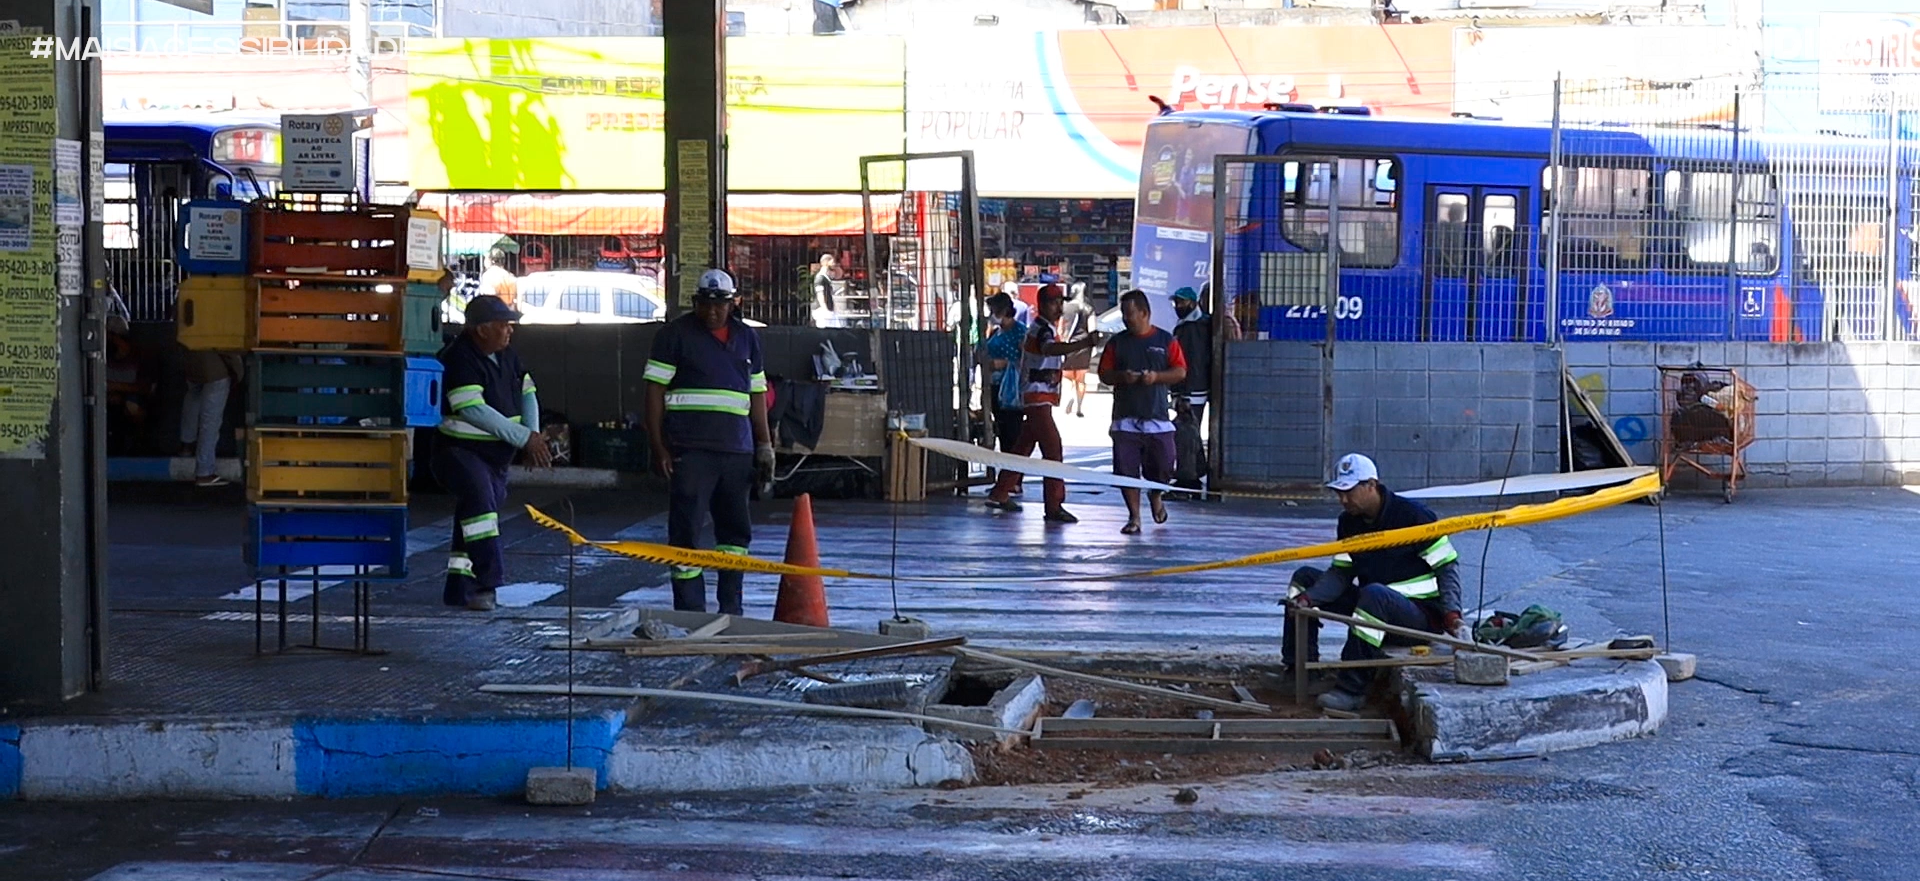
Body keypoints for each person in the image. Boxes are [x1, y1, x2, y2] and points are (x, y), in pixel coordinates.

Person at [1282, 453, 1467, 713]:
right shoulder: (1348, 522)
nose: (1343, 500)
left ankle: (1352, 689)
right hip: (1373, 607)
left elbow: (1446, 568)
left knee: (1374, 594)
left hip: (1418, 617)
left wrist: (1452, 615)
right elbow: (1341, 573)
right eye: (1339, 492)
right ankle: (1298, 669)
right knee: (1304, 578)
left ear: (1371, 485)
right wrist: (1307, 599)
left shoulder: (1414, 516)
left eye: (1349, 491)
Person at [644, 268, 774, 615]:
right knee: (686, 531)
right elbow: (654, 393)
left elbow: (757, 393)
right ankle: (690, 611)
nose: (713, 311)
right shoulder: (673, 336)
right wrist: (659, 447)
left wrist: (764, 444)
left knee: (734, 536)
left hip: (737, 452)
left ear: (734, 303)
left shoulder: (747, 339)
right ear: (695, 303)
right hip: (691, 451)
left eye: (721, 304)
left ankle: (731, 608)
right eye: (705, 303)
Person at [432, 295, 554, 612]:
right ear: (482, 329)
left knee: (473, 518)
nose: (509, 331)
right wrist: (525, 438)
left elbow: (528, 393)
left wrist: (533, 436)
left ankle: (461, 588)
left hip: (497, 456)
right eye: (503, 326)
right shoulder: (459, 358)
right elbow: (472, 410)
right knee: (482, 513)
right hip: (460, 453)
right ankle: (489, 582)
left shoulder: (508, 356)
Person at [983, 284, 1104, 523]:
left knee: (1022, 449)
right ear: (1043, 305)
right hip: (1037, 399)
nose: (1059, 307)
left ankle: (1000, 491)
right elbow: (1049, 349)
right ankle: (1054, 506)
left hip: (1039, 397)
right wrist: (1083, 343)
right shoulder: (1042, 330)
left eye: (1061, 302)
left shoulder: (1042, 327)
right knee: (1053, 451)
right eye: (1054, 303)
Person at [1097, 289, 1186, 535]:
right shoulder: (1117, 343)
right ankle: (1134, 517)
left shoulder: (1166, 341)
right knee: (1127, 471)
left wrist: (1156, 377)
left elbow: (1180, 371)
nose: (1126, 319)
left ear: (1145, 313)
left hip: (1157, 416)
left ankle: (1156, 494)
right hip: (1125, 418)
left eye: (1130, 314)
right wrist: (1121, 377)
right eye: (1124, 314)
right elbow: (1104, 374)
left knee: (1164, 464)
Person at [1169, 285, 1237, 495]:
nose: (1177, 306)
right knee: (1191, 432)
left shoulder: (1191, 328)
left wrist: (1183, 393)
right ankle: (1195, 472)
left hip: (1193, 389)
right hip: (1197, 387)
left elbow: (1192, 362)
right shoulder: (1200, 324)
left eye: (1181, 302)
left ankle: (1188, 479)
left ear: (1192, 302)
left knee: (1186, 433)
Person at [179, 348, 242, 487]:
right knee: (210, 421)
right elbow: (225, 345)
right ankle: (204, 472)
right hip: (216, 371)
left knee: (193, 399)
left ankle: (186, 445)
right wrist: (238, 370)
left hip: (192, 364)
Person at [983, 292, 1027, 456]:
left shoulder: (1020, 332)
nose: (993, 315)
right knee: (1001, 431)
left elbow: (1027, 360)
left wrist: (1007, 363)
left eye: (995, 311)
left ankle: (1014, 476)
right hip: (995, 387)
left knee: (1012, 433)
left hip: (1011, 390)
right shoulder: (996, 332)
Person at [1058, 282, 1094, 417]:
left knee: (1067, 377)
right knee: (1081, 379)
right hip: (1084, 346)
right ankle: (1079, 406)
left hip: (1068, 345)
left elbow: (1060, 328)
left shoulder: (1065, 308)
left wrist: (1061, 340)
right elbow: (1092, 330)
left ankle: (1069, 397)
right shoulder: (1088, 309)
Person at [811, 253, 843, 328]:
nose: (834, 264)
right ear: (825, 263)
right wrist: (825, 309)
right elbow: (820, 295)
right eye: (832, 261)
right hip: (822, 310)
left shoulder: (826, 278)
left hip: (828, 309)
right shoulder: (820, 278)